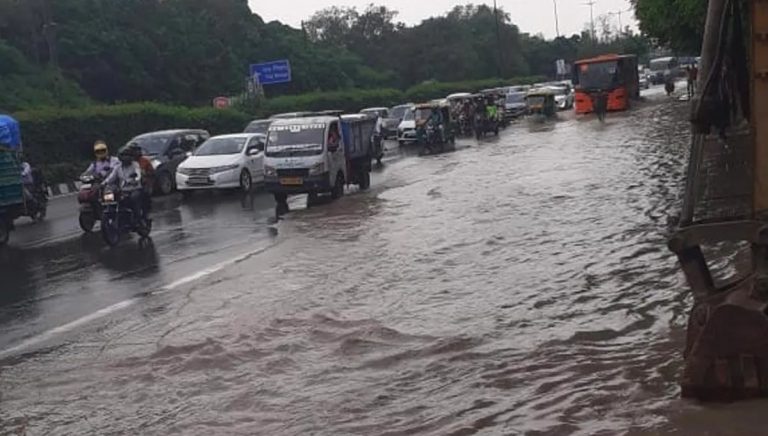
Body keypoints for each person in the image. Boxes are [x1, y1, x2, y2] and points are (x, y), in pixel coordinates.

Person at [103, 149, 144, 223]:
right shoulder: (118, 167)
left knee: (134, 198)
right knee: (111, 198)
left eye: (127, 155)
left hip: (134, 189)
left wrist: (134, 180)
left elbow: (138, 175)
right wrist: (103, 183)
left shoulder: (135, 165)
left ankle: (138, 218)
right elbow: (111, 178)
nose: (125, 157)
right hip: (123, 190)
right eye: (123, 155)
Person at [128, 143, 154, 218]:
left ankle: (144, 215)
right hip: (129, 185)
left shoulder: (145, 161)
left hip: (143, 184)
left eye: (137, 150)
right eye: (133, 150)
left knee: (144, 197)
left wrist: (144, 174)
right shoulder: (127, 162)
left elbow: (152, 173)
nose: (135, 152)